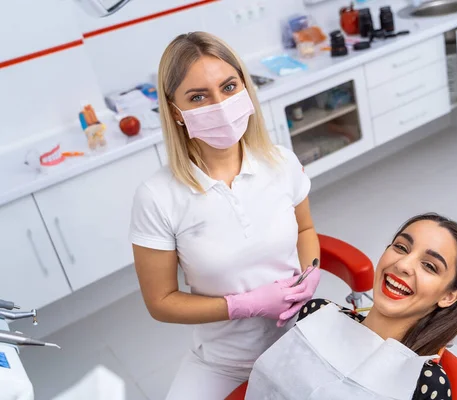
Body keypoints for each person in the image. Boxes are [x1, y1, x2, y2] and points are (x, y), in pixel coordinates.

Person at [128, 31, 321, 400]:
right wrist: (242, 306)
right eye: (198, 97)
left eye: (229, 87)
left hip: (301, 341)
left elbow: (306, 228)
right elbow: (161, 301)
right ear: (175, 112)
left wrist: (311, 273)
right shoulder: (157, 196)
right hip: (223, 362)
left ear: (246, 89)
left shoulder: (280, 162)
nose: (219, 104)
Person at [247, 213, 457, 400]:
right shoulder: (316, 314)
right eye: (401, 247)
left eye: (429, 266)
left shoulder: (425, 384)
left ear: (449, 296)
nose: (403, 264)